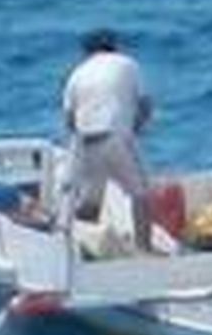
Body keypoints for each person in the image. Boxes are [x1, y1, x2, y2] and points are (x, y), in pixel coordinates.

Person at [61, 28, 153, 250]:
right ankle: (144, 249)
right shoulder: (127, 64)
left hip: (85, 142)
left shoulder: (77, 74)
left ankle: (80, 246)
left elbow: (70, 120)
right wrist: (136, 129)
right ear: (114, 46)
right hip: (113, 138)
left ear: (87, 51)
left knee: (92, 201)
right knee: (141, 195)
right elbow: (145, 104)